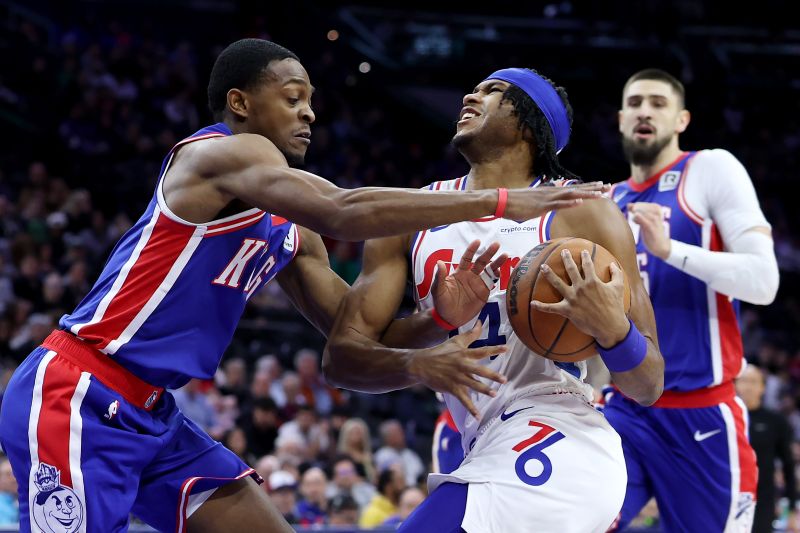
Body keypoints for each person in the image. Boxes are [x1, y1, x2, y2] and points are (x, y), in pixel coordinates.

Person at [0, 39, 607, 533]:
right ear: (240, 103)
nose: (309, 113)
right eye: (292, 98)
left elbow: (355, 337)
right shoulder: (214, 158)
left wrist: (437, 321)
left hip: (153, 412)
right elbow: (343, 209)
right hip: (78, 391)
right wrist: (500, 200)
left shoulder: (289, 229)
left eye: (312, 101)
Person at [325, 67, 664, 532]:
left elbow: (649, 385)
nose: (470, 94)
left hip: (559, 432)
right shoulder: (410, 215)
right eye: (474, 87)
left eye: (493, 90)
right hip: (483, 437)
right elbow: (343, 360)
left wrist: (613, 330)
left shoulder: (584, 213)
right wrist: (433, 325)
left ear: (529, 122)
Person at [604, 68, 780, 532]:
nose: (645, 110)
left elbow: (764, 282)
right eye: (636, 102)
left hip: (700, 419)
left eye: (658, 103)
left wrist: (669, 251)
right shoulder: (608, 202)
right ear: (621, 119)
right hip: (624, 410)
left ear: (682, 120)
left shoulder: (709, 169)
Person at [736, 364, 798, 533]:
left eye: (754, 382)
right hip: (730, 494)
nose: (748, 386)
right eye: (744, 381)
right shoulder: (724, 418)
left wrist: (792, 506)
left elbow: (788, 465)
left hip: (763, 498)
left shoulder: (775, 421)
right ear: (736, 385)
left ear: (763, 388)